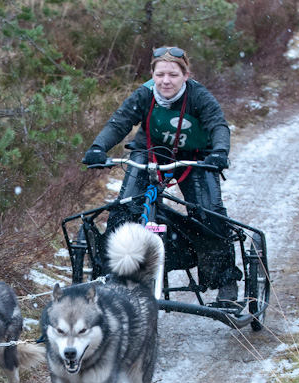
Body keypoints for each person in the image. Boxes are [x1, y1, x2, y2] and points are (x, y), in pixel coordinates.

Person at [81, 45, 242, 304]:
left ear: (185, 75)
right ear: (152, 74)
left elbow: (218, 125)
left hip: (196, 156)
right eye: (160, 74)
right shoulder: (144, 95)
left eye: (173, 74)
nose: (166, 81)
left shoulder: (199, 96)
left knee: (209, 213)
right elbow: (120, 122)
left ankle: (225, 281)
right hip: (150, 153)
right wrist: (98, 147)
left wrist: (220, 151)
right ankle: (109, 278)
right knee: (124, 211)